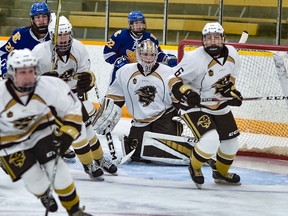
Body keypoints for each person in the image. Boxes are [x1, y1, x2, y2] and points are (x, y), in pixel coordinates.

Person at [0, 48, 92, 215]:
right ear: (12, 73)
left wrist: (67, 135)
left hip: (40, 132)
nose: (28, 77)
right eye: (22, 72)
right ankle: (42, 193)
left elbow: (72, 108)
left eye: (31, 71)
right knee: (35, 181)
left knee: (60, 173)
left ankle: (75, 211)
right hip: (10, 142)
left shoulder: (49, 85)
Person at [31, 15, 117, 178]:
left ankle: (98, 159)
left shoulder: (79, 48)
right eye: (59, 35)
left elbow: (85, 75)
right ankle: (88, 164)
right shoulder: (39, 53)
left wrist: (89, 79)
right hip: (48, 102)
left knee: (88, 128)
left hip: (72, 97)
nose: (63, 39)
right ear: (52, 35)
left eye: (66, 34)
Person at [169, 22, 243, 188]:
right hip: (193, 104)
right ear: (203, 40)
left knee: (231, 144)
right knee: (211, 139)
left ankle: (221, 173)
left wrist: (232, 92)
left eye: (216, 38)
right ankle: (194, 167)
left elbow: (230, 78)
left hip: (218, 104)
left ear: (223, 39)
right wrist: (187, 92)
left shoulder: (232, 53)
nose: (213, 41)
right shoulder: (195, 58)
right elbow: (172, 78)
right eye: (208, 38)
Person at [95, 39, 184, 162]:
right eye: (145, 54)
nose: (148, 58)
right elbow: (116, 97)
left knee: (163, 156)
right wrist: (109, 111)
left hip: (164, 117)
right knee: (137, 156)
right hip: (140, 121)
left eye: (152, 55)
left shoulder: (168, 72)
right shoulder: (124, 71)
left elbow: (177, 100)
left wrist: (187, 116)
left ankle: (173, 131)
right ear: (138, 54)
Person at [103, 10, 177, 84]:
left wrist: (166, 58)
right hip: (122, 73)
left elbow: (157, 54)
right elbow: (107, 53)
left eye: (141, 23)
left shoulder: (150, 37)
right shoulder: (119, 36)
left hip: (144, 73)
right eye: (136, 23)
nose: (139, 26)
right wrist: (118, 61)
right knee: (115, 94)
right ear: (130, 24)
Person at [0, 2, 51, 78]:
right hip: (25, 79)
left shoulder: (54, 36)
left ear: (49, 18)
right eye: (37, 17)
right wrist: (5, 70)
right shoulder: (20, 36)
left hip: (47, 79)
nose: (41, 21)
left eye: (44, 16)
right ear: (32, 20)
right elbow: (3, 52)